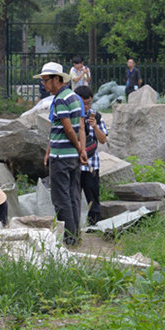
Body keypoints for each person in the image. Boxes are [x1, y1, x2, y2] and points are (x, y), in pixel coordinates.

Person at [34, 62, 87, 246]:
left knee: (61, 199)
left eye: (46, 81)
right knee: (73, 196)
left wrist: (80, 148)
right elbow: (67, 128)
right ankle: (76, 235)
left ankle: (70, 239)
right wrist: (79, 150)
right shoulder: (73, 97)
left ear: (58, 79)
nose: (44, 85)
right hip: (70, 156)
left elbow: (68, 129)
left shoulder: (60, 100)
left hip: (62, 157)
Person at [74, 85, 108, 225]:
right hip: (75, 165)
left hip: (91, 165)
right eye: (84, 103)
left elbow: (103, 139)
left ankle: (94, 225)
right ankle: (75, 225)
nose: (87, 106)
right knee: (74, 197)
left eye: (89, 103)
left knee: (93, 197)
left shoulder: (96, 116)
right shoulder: (72, 116)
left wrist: (95, 126)